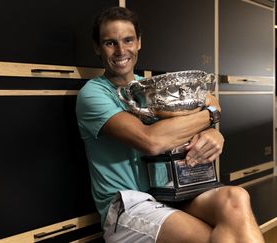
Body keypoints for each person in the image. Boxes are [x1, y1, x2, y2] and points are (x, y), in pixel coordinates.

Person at [76, 6, 264, 243]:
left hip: (171, 192)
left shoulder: (152, 86)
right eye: (110, 43)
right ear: (97, 47)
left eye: (128, 40)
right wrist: (211, 116)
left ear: (139, 42)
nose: (121, 50)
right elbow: (151, 141)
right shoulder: (93, 94)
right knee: (218, 238)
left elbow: (207, 99)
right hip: (129, 205)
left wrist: (213, 133)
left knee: (236, 198)